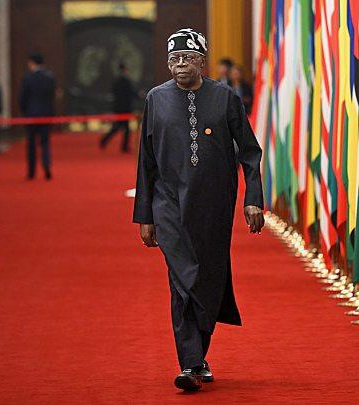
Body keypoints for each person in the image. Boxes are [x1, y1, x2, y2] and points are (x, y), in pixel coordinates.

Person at [133, 28, 265, 392]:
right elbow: (146, 162)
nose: (180, 65)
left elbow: (250, 152)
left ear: (202, 62)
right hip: (168, 205)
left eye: (188, 58)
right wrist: (145, 216)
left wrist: (253, 198)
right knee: (182, 281)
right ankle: (190, 364)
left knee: (207, 279)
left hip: (214, 206)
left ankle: (198, 356)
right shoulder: (156, 99)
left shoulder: (225, 97)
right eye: (174, 59)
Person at [19, 53, 56, 180]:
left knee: (31, 144)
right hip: (46, 115)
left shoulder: (28, 78)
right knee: (45, 142)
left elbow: (22, 98)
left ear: (31, 62)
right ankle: (46, 164)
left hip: (31, 115)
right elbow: (52, 96)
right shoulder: (49, 78)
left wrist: (24, 112)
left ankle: (31, 171)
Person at [99, 63, 139, 153]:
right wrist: (139, 96)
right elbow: (132, 92)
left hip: (118, 107)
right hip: (126, 108)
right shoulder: (127, 81)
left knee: (118, 127)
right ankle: (123, 146)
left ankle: (105, 140)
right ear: (125, 70)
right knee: (124, 128)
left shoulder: (116, 80)